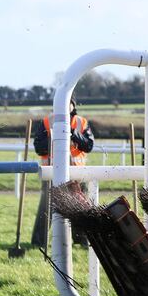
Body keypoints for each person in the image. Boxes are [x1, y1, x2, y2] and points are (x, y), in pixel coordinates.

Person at [30, 98, 94, 247]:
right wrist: (55, 137)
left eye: (68, 102)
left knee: (80, 207)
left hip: (76, 174)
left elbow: (88, 145)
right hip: (52, 173)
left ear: (73, 105)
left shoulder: (81, 122)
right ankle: (39, 242)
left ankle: (83, 240)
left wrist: (72, 133)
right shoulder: (46, 122)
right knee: (46, 209)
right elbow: (39, 147)